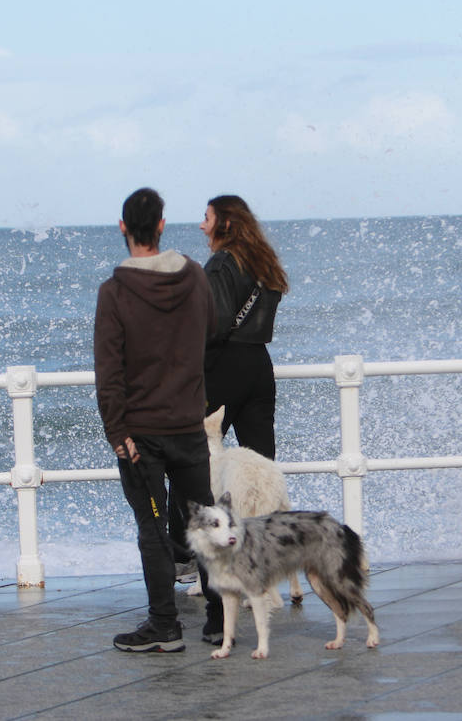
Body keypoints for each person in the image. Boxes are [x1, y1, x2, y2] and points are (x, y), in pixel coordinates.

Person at [94, 187, 224, 652]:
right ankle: (216, 619)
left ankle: (165, 625)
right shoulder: (193, 275)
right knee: (206, 523)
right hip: (189, 426)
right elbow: (210, 329)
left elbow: (109, 371)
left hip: (141, 436)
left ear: (124, 228)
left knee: (152, 530)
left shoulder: (114, 292)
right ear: (163, 225)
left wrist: (117, 433)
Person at [199, 194, 288, 459]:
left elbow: (217, 324)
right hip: (259, 366)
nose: (202, 226)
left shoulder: (222, 263)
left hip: (224, 365)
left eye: (207, 218)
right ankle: (264, 503)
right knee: (261, 462)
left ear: (224, 224)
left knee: (195, 458)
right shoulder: (264, 263)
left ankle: (190, 504)